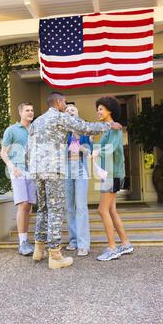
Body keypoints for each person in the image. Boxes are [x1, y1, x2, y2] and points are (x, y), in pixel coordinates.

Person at [27, 91, 122, 270]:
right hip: (53, 170)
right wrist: (109, 126)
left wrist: (31, 168)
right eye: (64, 102)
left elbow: (27, 148)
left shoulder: (37, 121)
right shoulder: (59, 117)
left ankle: (39, 249)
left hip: (37, 170)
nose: (65, 105)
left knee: (43, 209)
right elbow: (85, 128)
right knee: (55, 210)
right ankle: (55, 255)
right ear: (58, 102)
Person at [92, 96, 134, 261]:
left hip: (112, 174)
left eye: (101, 109)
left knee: (102, 210)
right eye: (98, 109)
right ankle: (125, 243)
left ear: (110, 110)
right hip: (110, 174)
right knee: (111, 210)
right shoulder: (107, 129)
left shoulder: (115, 128)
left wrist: (98, 152)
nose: (98, 112)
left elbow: (112, 148)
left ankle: (112, 248)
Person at [0, 102, 36, 256]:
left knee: (29, 206)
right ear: (20, 113)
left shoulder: (35, 130)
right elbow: (3, 152)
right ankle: (22, 243)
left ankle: (25, 239)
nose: (30, 112)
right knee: (23, 204)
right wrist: (11, 166)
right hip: (19, 170)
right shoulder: (12, 130)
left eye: (32, 110)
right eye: (27, 110)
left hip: (33, 171)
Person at [65, 104, 92, 257]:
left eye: (73, 110)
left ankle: (83, 244)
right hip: (65, 169)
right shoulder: (61, 130)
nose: (70, 112)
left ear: (78, 113)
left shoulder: (84, 129)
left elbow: (88, 151)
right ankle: (73, 240)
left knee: (81, 207)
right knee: (68, 207)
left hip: (80, 169)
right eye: (67, 110)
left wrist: (78, 144)